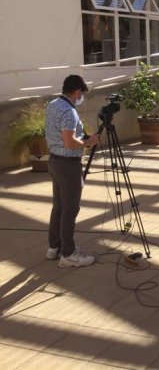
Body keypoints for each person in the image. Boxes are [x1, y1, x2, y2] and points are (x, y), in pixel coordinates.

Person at [46, 74, 99, 267]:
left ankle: (54, 247)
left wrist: (81, 137)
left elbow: (61, 136)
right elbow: (69, 142)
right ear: (77, 92)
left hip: (54, 161)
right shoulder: (69, 111)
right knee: (70, 209)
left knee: (58, 207)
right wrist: (88, 142)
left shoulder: (53, 105)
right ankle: (68, 254)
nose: (81, 98)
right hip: (68, 165)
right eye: (81, 94)